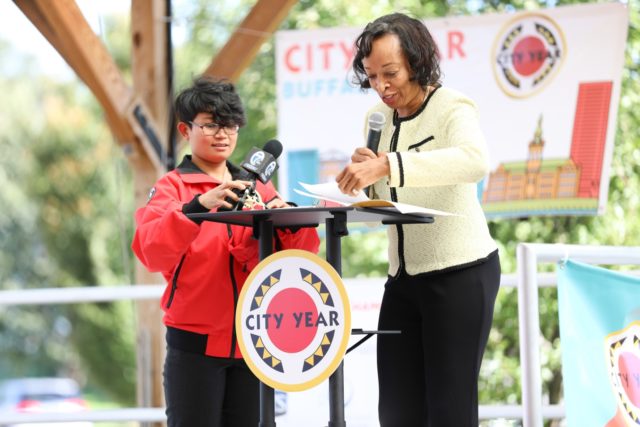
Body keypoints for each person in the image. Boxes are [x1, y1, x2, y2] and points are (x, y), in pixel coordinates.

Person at [336, 13, 501, 427]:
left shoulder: (452, 106)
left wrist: (388, 165)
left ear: (418, 61)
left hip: (461, 274)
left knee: (449, 411)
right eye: (372, 75)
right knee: (396, 411)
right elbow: (386, 192)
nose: (381, 86)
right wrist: (365, 179)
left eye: (390, 73)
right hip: (403, 279)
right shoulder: (378, 117)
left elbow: (474, 160)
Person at [132, 76, 320, 427]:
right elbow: (150, 251)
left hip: (257, 341)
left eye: (230, 125)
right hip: (194, 347)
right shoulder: (171, 187)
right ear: (185, 130)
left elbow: (302, 259)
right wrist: (196, 208)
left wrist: (289, 218)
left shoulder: (259, 186)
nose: (223, 133)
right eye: (211, 125)